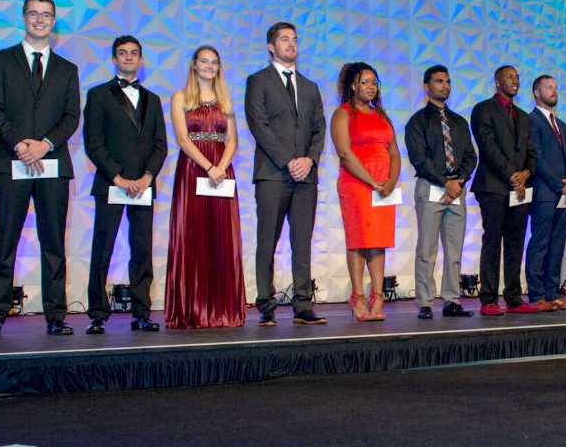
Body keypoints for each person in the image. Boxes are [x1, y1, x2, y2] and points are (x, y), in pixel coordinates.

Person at [0, 0, 80, 338]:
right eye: (33, 14)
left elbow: (71, 117)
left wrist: (45, 145)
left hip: (53, 164)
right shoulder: (1, 60)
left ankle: (55, 316)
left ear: (54, 21)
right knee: (4, 240)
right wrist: (21, 144)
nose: (40, 20)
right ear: (24, 17)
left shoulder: (68, 69)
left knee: (53, 243)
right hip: (11, 161)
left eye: (46, 15)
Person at [82, 35, 167, 334]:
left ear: (141, 60)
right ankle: (97, 314)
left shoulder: (153, 100)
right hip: (111, 183)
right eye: (122, 53)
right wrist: (118, 177)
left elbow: (161, 146)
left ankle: (141, 313)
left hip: (143, 186)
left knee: (142, 250)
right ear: (114, 59)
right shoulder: (98, 95)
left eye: (134, 53)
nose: (129, 58)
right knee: (102, 249)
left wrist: (146, 178)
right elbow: (93, 143)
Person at [244, 22, 328, 326]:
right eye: (284, 39)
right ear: (271, 46)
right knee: (267, 241)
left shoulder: (310, 87)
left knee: (302, 242)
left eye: (294, 39)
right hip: (272, 174)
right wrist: (288, 161)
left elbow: (320, 128)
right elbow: (259, 125)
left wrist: (309, 159)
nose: (291, 44)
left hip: (306, 176)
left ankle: (303, 305)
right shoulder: (257, 81)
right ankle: (266, 305)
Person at [164, 46, 246, 329]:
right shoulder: (180, 97)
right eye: (204, 61)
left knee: (221, 240)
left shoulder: (226, 100)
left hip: (222, 173)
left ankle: (223, 310)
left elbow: (233, 140)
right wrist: (208, 168)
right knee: (193, 237)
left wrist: (221, 167)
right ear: (194, 65)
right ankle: (192, 310)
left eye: (214, 62)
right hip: (193, 170)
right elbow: (183, 139)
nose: (209, 66)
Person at [404, 65, 478, 319]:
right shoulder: (416, 121)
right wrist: (445, 183)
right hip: (431, 187)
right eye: (438, 82)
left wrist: (458, 181)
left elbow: (470, 156)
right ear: (426, 87)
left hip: (456, 190)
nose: (444, 86)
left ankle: (451, 300)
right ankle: (425, 303)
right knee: (427, 249)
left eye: (447, 82)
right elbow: (419, 159)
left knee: (455, 250)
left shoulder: (459, 121)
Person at [331, 62, 401, 322]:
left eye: (374, 82)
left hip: (384, 187)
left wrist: (391, 181)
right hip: (357, 184)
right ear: (352, 85)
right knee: (359, 239)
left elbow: (394, 153)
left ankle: (378, 296)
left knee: (378, 240)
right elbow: (344, 153)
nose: (370, 87)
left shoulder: (382, 114)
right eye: (364, 82)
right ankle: (358, 296)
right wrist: (373, 182)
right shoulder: (343, 113)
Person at [470, 65, 540, 316]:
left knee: (516, 241)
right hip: (493, 186)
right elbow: (487, 146)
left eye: (518, 77)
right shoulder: (483, 109)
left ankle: (513, 296)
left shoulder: (522, 116)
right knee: (492, 240)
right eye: (510, 77)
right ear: (497, 82)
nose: (515, 81)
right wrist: (512, 174)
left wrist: (525, 174)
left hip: (520, 187)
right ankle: (488, 298)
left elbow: (531, 151)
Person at [523, 75, 566, 312]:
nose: (554, 91)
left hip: (564, 194)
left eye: (556, 87)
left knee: (558, 244)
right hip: (545, 193)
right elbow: (537, 157)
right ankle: (536, 295)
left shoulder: (563, 125)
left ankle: (553, 293)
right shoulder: (531, 121)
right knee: (540, 243)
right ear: (537, 93)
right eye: (549, 87)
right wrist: (560, 184)